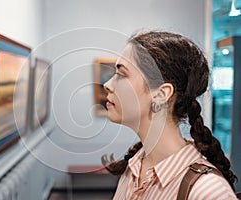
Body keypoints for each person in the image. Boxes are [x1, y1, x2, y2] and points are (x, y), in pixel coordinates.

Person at [101, 31, 238, 199]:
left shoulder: (208, 192)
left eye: (121, 75)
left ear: (161, 94)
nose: (108, 85)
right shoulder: (134, 167)